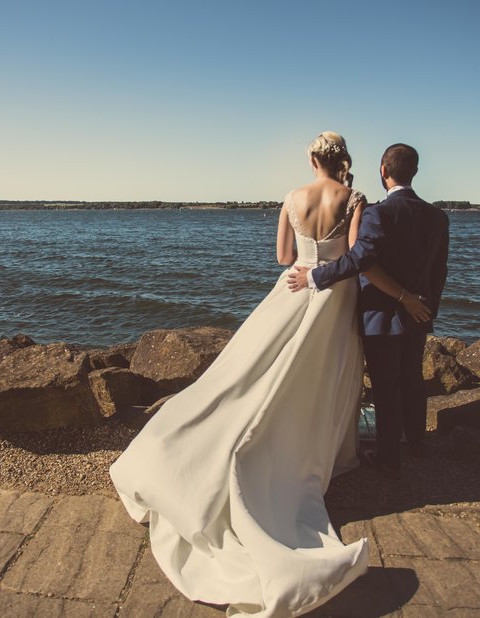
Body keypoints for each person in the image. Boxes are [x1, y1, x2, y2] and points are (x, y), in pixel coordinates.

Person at [111, 132, 417, 617]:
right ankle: (317, 451)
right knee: (323, 379)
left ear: (314, 159)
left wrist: (307, 260)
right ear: (340, 160)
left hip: (294, 288)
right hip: (335, 299)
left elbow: (282, 258)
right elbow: (359, 260)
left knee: (251, 373)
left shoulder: (292, 198)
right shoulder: (354, 198)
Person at [288, 143, 449, 478]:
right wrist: (426, 307)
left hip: (379, 314)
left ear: (383, 171)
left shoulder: (378, 214)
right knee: (412, 380)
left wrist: (315, 276)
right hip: (418, 314)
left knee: (385, 386)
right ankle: (416, 443)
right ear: (415, 172)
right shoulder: (437, 217)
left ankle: (389, 455)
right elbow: (439, 271)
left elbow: (360, 260)